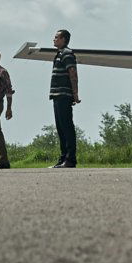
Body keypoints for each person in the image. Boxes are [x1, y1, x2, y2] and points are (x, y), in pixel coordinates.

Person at [50, 29, 80, 168]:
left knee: (67, 127)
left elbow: (73, 74)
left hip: (64, 95)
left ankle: (70, 159)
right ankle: (62, 159)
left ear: (63, 39)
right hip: (57, 95)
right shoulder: (59, 54)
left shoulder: (67, 53)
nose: (54, 39)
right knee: (60, 128)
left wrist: (75, 94)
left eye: (56, 37)